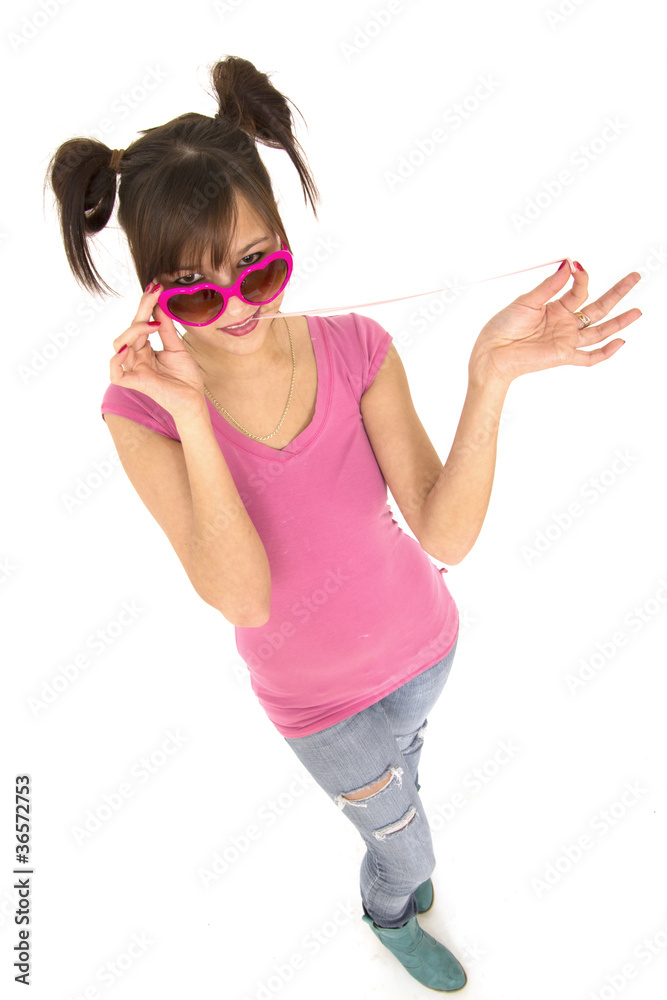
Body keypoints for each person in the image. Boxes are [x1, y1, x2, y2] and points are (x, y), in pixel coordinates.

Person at [44, 54, 642, 993]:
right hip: (316, 705)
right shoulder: (141, 412)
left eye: (259, 267)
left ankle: (397, 835)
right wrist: (193, 414)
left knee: (404, 775)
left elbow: (444, 536)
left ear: (285, 239)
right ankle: (389, 907)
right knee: (405, 844)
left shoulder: (357, 346)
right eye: (195, 290)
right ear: (153, 294)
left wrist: (488, 375)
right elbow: (243, 598)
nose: (236, 307)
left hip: (426, 647)